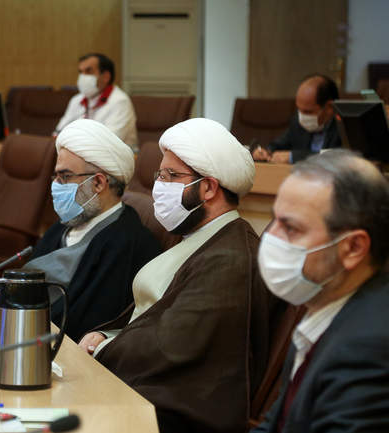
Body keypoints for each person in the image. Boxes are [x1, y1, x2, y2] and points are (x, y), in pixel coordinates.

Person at [82, 118, 281, 433]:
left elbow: (172, 345)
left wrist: (105, 349)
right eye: (160, 175)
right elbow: (152, 315)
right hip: (139, 381)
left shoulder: (231, 259)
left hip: (169, 409)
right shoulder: (198, 234)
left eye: (171, 176)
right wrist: (107, 336)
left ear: (209, 187)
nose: (159, 185)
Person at [252, 149, 389, 432]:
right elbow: (278, 424)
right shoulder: (328, 304)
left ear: (353, 248)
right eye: (274, 220)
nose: (270, 238)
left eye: (290, 228)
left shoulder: (374, 353)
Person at [26, 119, 160, 342]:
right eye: (56, 177)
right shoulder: (61, 228)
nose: (56, 186)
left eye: (65, 177)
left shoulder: (130, 243)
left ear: (98, 183)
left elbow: (88, 323)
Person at [54, 53, 138, 151]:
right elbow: (58, 133)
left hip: (114, 157)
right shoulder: (76, 100)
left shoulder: (120, 102)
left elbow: (109, 143)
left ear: (106, 76)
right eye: (81, 72)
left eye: (88, 71)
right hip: (77, 153)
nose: (82, 76)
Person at [253, 74, 341, 164]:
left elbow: (336, 158)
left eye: (307, 112)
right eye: (299, 109)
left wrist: (293, 157)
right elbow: (278, 145)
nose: (301, 116)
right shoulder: (297, 121)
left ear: (329, 107)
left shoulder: (344, 128)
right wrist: (266, 152)